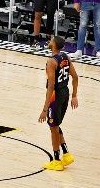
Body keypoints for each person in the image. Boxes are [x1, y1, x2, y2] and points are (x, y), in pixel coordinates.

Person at [39, 36, 78, 171]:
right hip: (65, 93)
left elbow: (51, 86)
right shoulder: (65, 57)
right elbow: (75, 77)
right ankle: (66, 154)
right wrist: (74, 96)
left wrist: (44, 109)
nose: (49, 41)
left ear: (54, 45)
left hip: (55, 96)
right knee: (56, 125)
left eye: (51, 40)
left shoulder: (51, 61)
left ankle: (56, 161)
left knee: (53, 127)